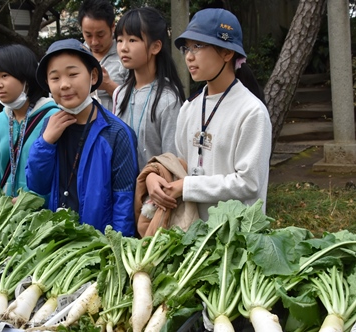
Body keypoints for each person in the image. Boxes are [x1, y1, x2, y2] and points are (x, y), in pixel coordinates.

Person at [145, 8, 272, 221]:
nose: (189, 56)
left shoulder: (252, 112)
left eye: (199, 46)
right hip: (194, 233)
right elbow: (183, 164)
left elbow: (249, 183)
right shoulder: (189, 108)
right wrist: (154, 176)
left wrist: (188, 186)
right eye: (187, 48)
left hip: (237, 237)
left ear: (227, 53)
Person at [26, 39, 138, 236]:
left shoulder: (116, 133)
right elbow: (37, 185)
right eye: (55, 78)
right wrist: (46, 142)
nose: (65, 85)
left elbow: (124, 201)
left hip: (98, 246)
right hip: (58, 241)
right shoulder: (49, 125)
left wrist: (116, 251)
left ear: (93, 76)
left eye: (73, 74)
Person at [113, 7, 186, 168]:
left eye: (132, 40)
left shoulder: (168, 100)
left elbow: (172, 160)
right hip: (121, 190)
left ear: (155, 47)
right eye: (119, 40)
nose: (123, 47)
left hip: (154, 190)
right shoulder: (120, 93)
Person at [0, 44, 60, 198]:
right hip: (9, 212)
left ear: (26, 76)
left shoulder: (54, 116)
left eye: (4, 76)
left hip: (46, 213)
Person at [78, 0, 128, 111]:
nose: (94, 42)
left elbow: (138, 103)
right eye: (88, 35)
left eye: (100, 34)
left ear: (112, 27)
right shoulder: (76, 56)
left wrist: (108, 85)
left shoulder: (126, 55)